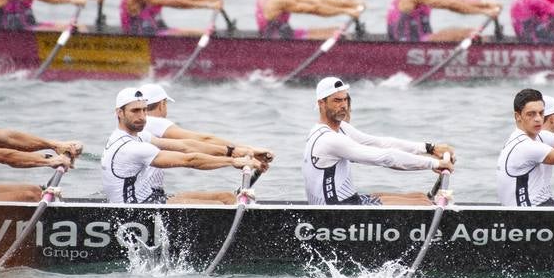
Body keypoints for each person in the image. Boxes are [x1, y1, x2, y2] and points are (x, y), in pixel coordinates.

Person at [101, 87, 267, 205]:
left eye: (144, 110)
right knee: (224, 205)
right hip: (137, 211)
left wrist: (235, 152)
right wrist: (232, 162)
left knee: (227, 198)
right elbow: (189, 160)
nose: (143, 117)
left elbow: (186, 146)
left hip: (153, 198)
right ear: (119, 113)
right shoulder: (130, 147)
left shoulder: (141, 136)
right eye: (135, 111)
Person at [305, 77, 453, 205]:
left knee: (420, 197)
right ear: (321, 104)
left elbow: (381, 143)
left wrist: (429, 148)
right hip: (335, 212)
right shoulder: (328, 139)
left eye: (345, 99)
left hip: (351, 201)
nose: (343, 105)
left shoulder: (342, 128)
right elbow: (387, 158)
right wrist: (435, 163)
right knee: (423, 204)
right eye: (337, 100)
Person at [135, 82, 273, 162]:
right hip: (148, 198)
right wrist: (249, 150)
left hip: (145, 194)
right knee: (224, 199)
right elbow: (203, 140)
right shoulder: (154, 123)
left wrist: (238, 154)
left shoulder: (137, 127)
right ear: (162, 104)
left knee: (223, 198)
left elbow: (197, 150)